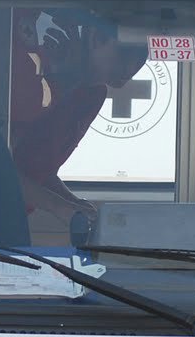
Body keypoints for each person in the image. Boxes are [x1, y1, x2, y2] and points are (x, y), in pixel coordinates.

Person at [9, 12, 147, 223]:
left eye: (142, 55)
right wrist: (60, 207)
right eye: (126, 52)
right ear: (94, 40)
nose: (133, 67)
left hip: (14, 214)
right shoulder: (35, 81)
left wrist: (74, 203)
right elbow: (1, 167)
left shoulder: (93, 96)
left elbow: (39, 169)